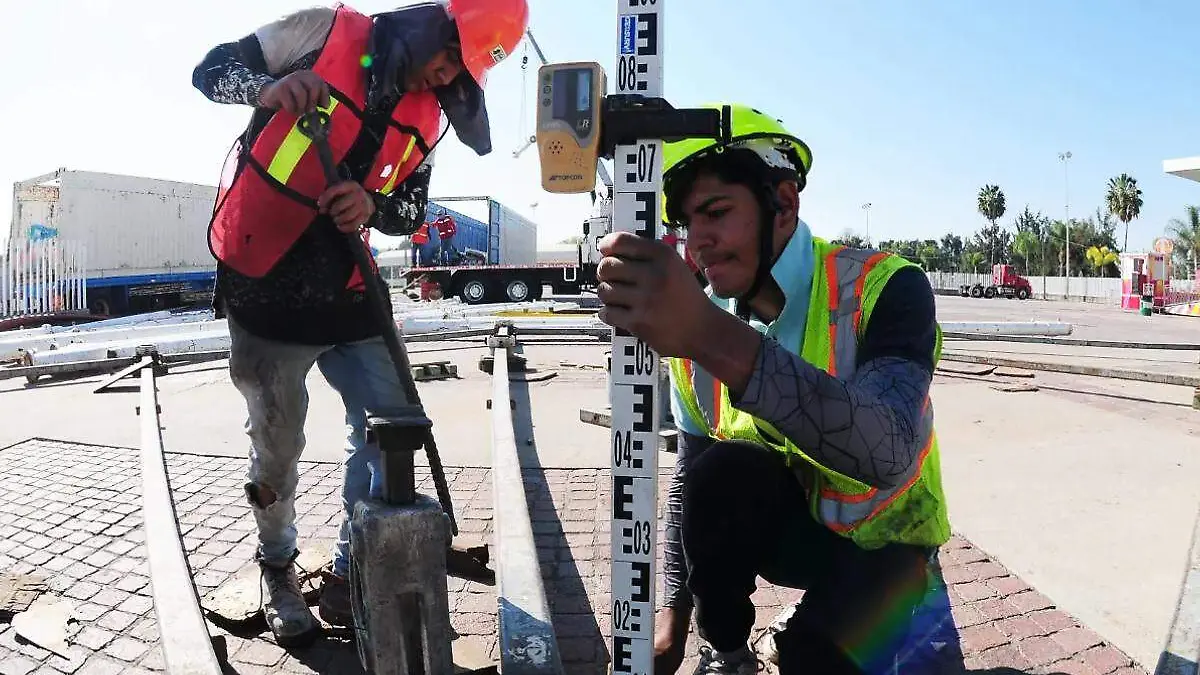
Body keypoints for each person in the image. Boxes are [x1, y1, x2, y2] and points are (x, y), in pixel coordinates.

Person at [191, 0, 528, 647]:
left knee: (392, 428)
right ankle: (277, 569)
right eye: (449, 58)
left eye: (462, 74)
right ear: (432, 29)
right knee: (277, 446)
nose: (445, 77)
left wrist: (372, 203)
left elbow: (409, 209)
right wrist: (268, 88)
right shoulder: (322, 32)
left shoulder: (428, 117)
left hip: (350, 293)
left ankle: (349, 569)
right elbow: (211, 71)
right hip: (265, 289)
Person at [594, 104, 960, 674]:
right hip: (796, 540)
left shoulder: (884, 288)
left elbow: (887, 449)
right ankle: (730, 654)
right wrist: (672, 624)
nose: (697, 243)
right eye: (688, 224)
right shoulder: (700, 323)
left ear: (784, 203)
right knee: (718, 472)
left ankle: (837, 626)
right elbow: (692, 489)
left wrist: (708, 334)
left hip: (888, 545)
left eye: (717, 212)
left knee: (816, 659)